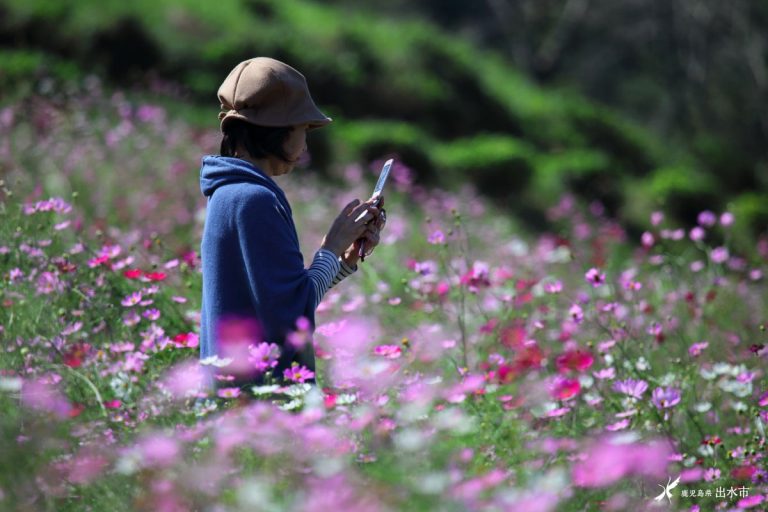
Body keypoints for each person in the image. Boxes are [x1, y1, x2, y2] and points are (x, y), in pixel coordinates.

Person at [198, 57, 385, 390]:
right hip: (259, 407)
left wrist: (341, 262)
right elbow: (291, 319)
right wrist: (330, 247)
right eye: (303, 131)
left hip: (234, 399)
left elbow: (281, 302)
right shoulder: (254, 200)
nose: (306, 145)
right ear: (277, 130)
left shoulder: (227, 193)